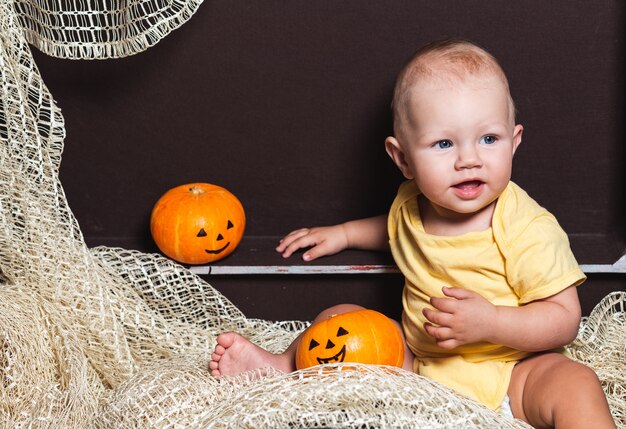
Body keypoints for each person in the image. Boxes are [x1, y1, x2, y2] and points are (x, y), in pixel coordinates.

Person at [210, 39, 616, 428]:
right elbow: (393, 229)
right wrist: (345, 234)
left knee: (576, 383)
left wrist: (491, 323)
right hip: (419, 365)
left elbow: (564, 320)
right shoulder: (410, 204)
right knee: (338, 319)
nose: (469, 160)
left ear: (514, 142)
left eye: (489, 139)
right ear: (402, 159)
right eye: (443, 144)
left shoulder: (528, 227)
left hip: (514, 370)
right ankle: (282, 365)